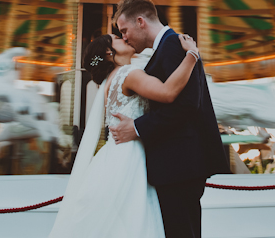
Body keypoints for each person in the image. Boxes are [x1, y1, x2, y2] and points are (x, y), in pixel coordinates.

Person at [48, 30, 202, 238]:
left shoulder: (109, 81)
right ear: (108, 52)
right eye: (117, 39)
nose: (124, 38)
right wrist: (192, 56)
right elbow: (167, 93)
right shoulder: (128, 74)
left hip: (112, 156)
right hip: (131, 157)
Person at [110, 0, 229, 238]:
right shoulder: (170, 47)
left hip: (179, 164)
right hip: (176, 164)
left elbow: (186, 105)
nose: (124, 37)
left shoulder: (174, 45)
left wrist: (137, 128)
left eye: (124, 30)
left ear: (140, 21)